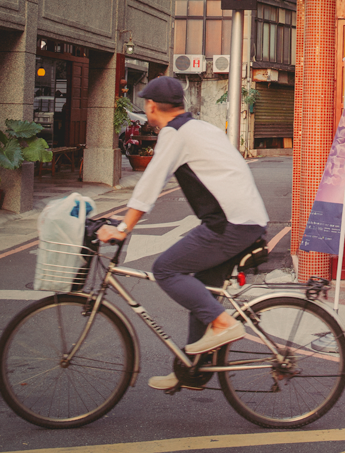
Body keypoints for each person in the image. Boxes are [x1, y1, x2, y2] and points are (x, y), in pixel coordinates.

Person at [97, 76, 270, 390]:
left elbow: (150, 186)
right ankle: (193, 371)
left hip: (229, 224)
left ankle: (223, 323)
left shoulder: (174, 134)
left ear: (151, 106)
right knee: (202, 291)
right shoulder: (199, 128)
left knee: (165, 269)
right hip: (243, 220)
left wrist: (122, 228)